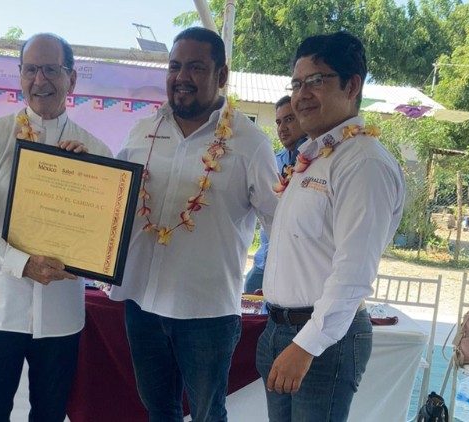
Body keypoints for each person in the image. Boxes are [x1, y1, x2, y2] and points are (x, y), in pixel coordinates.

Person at [108, 27, 279, 421]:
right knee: (159, 411)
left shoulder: (249, 142)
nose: (182, 77)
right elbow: (113, 196)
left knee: (206, 414)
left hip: (206, 312)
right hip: (142, 302)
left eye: (196, 67)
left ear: (221, 75)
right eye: (175, 66)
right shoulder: (143, 131)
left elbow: (278, 222)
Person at [0, 33, 112, 421]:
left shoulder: (96, 151)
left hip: (60, 313)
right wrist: (19, 263)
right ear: (20, 76)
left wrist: (92, 180)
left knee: (50, 414)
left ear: (71, 79)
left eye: (51, 69)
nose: (40, 79)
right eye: (31, 69)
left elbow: (105, 231)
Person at [257, 31, 405, 421]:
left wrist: (306, 346)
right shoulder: (314, 156)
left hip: (323, 340)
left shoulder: (363, 162)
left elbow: (354, 271)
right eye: (296, 83)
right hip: (280, 330)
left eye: (316, 80)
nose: (300, 94)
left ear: (352, 85)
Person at [244, 95, 306, 293]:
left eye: (289, 119)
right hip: (265, 263)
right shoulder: (271, 161)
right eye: (278, 122)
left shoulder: (319, 161)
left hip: (299, 268)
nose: (282, 128)